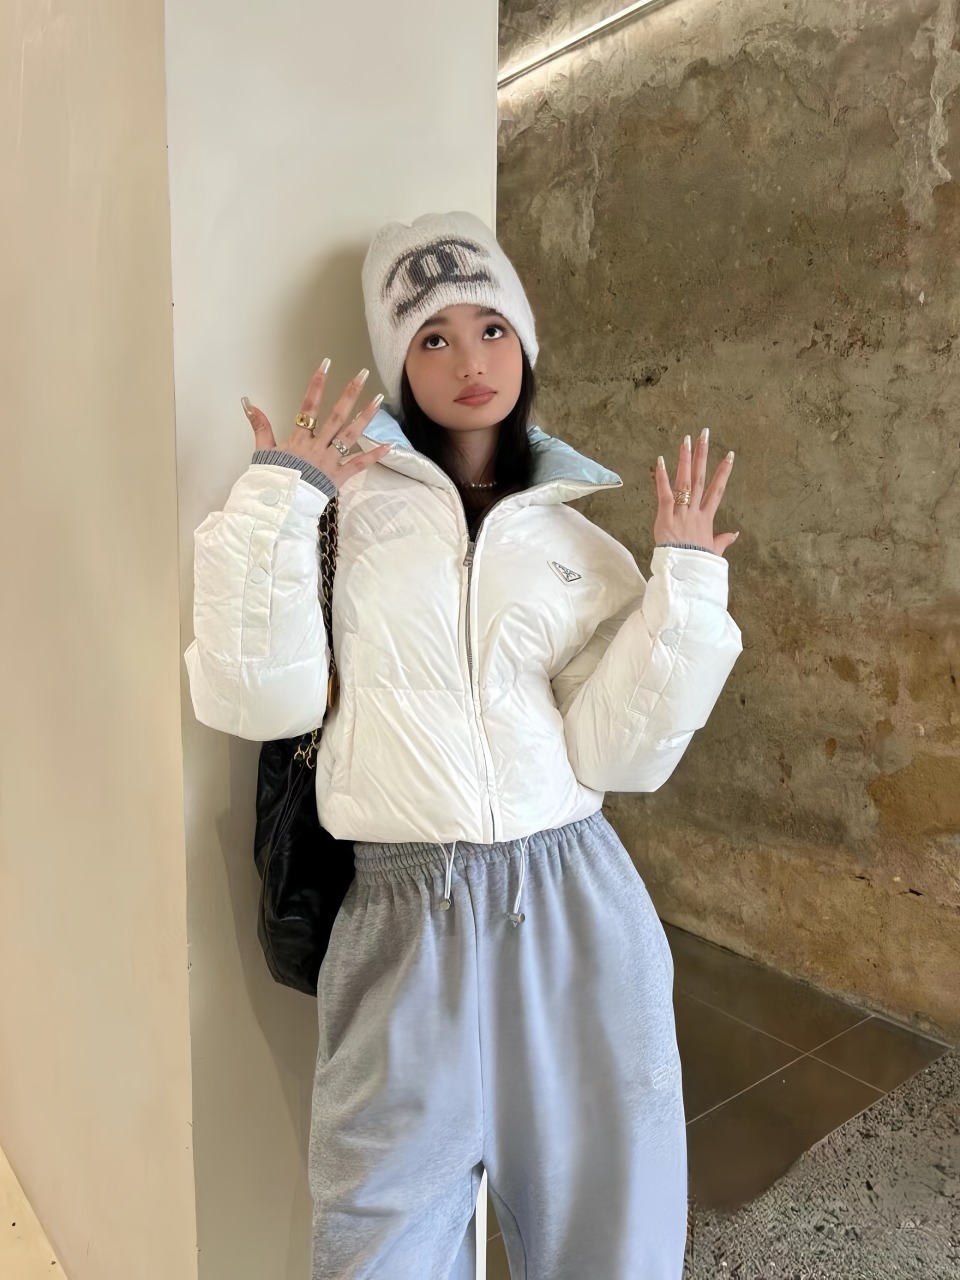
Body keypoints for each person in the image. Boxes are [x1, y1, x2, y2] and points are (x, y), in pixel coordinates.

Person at [185, 211, 743, 1280]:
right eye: (431, 337)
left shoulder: (576, 540)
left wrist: (686, 592)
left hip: (575, 911)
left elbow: (618, 757)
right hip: (402, 918)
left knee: (611, 1237)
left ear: (524, 343)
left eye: (491, 328)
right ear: (399, 362)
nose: (469, 360)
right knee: (378, 1246)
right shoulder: (345, 511)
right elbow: (259, 699)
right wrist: (278, 503)